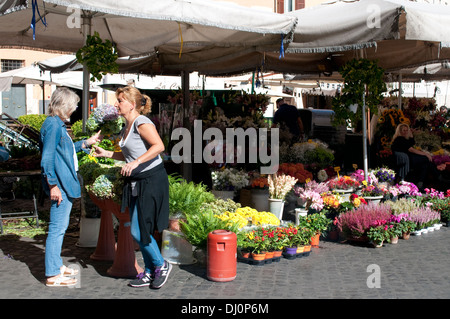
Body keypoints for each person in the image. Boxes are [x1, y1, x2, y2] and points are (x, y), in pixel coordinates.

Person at [92, 86, 171, 289]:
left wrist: (136, 163)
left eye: (120, 100)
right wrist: (107, 154)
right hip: (137, 182)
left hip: (151, 181)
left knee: (138, 231)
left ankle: (161, 265)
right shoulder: (126, 126)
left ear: (132, 104)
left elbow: (159, 146)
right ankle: (150, 270)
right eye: (117, 100)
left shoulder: (141, 122)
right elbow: (128, 155)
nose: (117, 104)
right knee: (139, 229)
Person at [40, 87, 101, 287]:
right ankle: (52, 274)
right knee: (57, 229)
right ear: (65, 105)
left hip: (64, 183)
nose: (74, 109)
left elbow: (64, 151)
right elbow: (47, 158)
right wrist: (53, 186)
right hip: (61, 185)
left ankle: (56, 266)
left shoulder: (56, 124)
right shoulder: (54, 126)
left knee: (61, 228)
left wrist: (85, 143)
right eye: (73, 105)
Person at [391, 123, 441, 189]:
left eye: (407, 130)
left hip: (409, 158)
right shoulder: (400, 139)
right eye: (404, 130)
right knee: (426, 159)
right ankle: (438, 177)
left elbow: (412, 143)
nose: (406, 132)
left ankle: (421, 182)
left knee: (425, 164)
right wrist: (426, 154)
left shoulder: (404, 139)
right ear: (400, 131)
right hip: (407, 159)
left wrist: (410, 134)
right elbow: (412, 150)